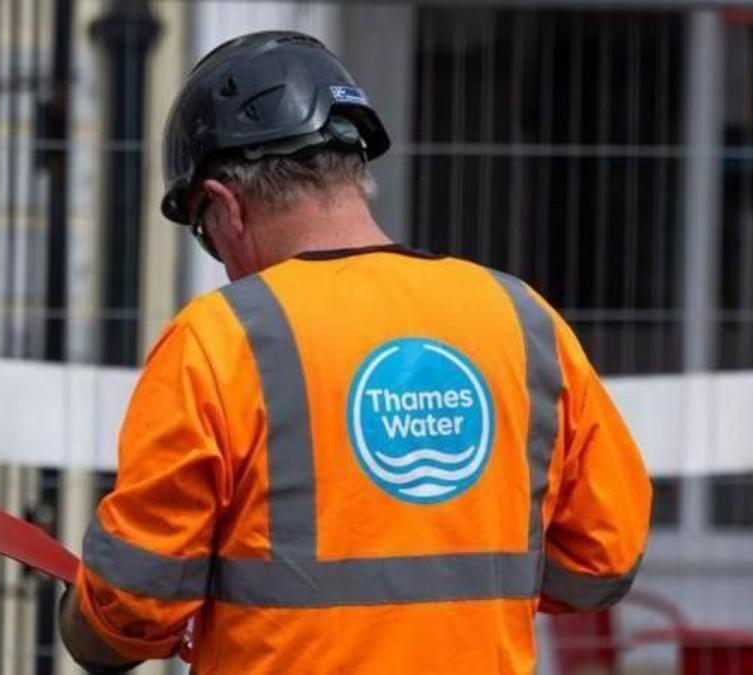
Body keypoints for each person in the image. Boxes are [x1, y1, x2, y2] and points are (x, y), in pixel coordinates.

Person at [59, 30, 651, 674]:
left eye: (205, 232)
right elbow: (603, 555)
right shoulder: (521, 319)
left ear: (226, 208)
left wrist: (86, 620)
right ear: (352, 172)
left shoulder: (219, 339)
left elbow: (136, 604)